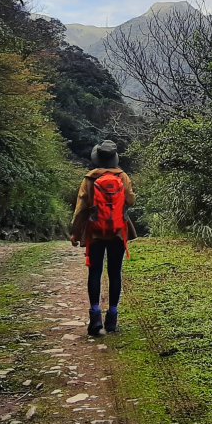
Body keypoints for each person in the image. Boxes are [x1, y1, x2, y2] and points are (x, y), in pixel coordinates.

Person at [70, 140, 136, 336]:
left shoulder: (89, 179)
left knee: (95, 272)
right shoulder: (123, 177)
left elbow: (80, 208)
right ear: (114, 158)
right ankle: (113, 319)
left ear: (97, 158)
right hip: (117, 232)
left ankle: (96, 317)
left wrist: (75, 232)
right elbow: (130, 200)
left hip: (95, 232)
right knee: (115, 272)